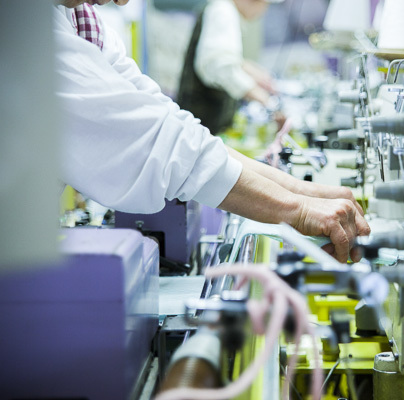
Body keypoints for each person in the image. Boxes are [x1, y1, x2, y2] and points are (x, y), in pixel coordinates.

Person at [54, 0, 370, 263]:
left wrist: (301, 191)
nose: (122, 2)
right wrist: (297, 209)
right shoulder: (33, 34)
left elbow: (169, 123)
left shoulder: (79, 18)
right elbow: (160, 144)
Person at [178, 0, 281, 135]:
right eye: (264, 4)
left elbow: (220, 55)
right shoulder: (223, 12)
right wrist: (264, 99)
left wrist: (247, 68)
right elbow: (218, 65)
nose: (264, 11)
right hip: (200, 126)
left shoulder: (223, 9)